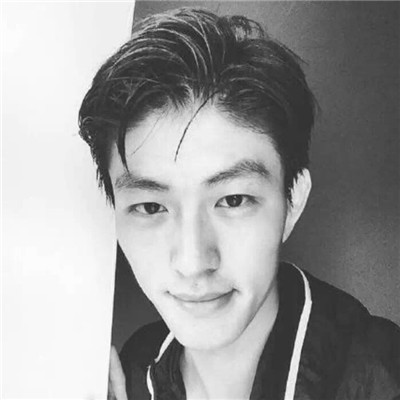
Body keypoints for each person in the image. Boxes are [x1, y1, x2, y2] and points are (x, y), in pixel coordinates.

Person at [78, 7, 400, 400]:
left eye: (233, 200)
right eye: (150, 207)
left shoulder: (382, 377)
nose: (193, 262)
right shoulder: (132, 370)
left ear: (292, 201)